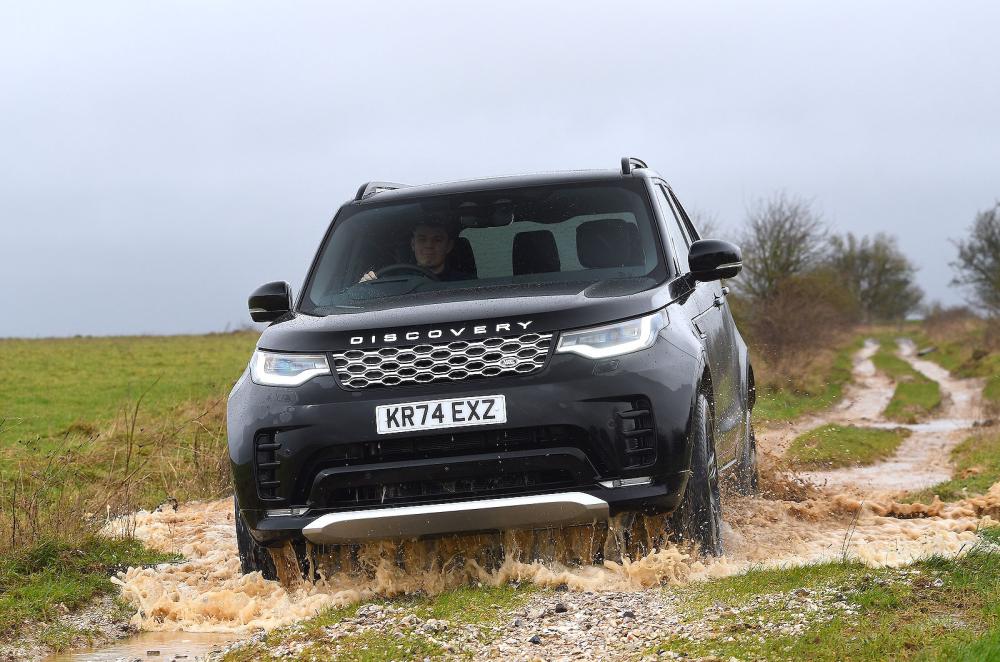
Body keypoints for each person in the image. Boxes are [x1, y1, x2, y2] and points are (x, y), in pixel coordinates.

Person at [360, 219, 470, 282]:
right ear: (413, 245)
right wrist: (367, 286)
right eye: (422, 239)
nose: (429, 245)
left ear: (449, 246)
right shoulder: (391, 280)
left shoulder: (464, 283)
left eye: (437, 240)